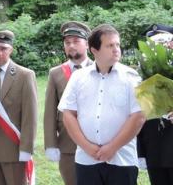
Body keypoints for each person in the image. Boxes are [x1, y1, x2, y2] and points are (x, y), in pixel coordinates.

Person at [59, 23, 145, 185]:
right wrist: (87, 146)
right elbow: (68, 114)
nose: (116, 49)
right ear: (94, 50)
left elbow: (138, 116)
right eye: (110, 45)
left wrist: (112, 147)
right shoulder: (78, 77)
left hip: (121, 159)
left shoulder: (131, 77)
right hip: (86, 159)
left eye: (117, 44)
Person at [0, 30, 38, 185]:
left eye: (4, 48)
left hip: (14, 149)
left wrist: (26, 149)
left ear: (11, 50)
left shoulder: (25, 75)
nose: (0, 53)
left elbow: (30, 116)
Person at [44, 21, 93, 185]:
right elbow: (50, 112)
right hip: (68, 145)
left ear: (87, 44)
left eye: (76, 41)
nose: (71, 45)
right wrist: (50, 144)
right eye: (67, 42)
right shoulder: (56, 73)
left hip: (96, 142)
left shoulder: (99, 68)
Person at [136, 24, 173, 185]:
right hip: (154, 149)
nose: (157, 48)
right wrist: (141, 151)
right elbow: (139, 117)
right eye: (153, 44)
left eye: (163, 43)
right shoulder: (142, 75)